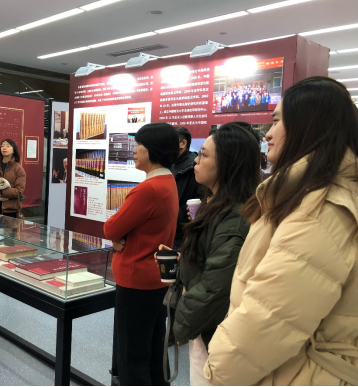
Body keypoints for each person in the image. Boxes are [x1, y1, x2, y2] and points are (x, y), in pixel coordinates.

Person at [205, 76, 358, 386]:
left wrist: (217, 369)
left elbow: (270, 317)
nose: (268, 133)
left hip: (293, 372)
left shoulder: (319, 209)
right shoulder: (303, 196)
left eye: (276, 121)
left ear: (306, 125)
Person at [160, 123, 260, 386]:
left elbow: (217, 285)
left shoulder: (235, 217)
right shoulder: (215, 204)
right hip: (205, 327)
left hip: (213, 329)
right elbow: (210, 260)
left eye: (204, 155)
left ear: (227, 163)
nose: (196, 161)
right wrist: (183, 259)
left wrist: (181, 324)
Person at [104, 123, 179, 386]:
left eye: (138, 144)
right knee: (154, 352)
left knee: (132, 356)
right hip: (157, 277)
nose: (134, 150)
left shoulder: (148, 188)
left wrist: (117, 237)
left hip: (136, 279)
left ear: (154, 148)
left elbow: (111, 227)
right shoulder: (168, 181)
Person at [170, 126, 201, 250]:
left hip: (182, 234)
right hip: (168, 230)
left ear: (183, 143)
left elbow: (200, 199)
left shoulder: (194, 167)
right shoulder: (168, 164)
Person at [0, 138, 26, 218]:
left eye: (8, 146)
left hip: (10, 210)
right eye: (2, 146)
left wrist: (1, 192)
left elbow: (19, 191)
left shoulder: (18, 169)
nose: (4, 148)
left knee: (9, 226)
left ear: (13, 150)